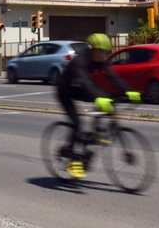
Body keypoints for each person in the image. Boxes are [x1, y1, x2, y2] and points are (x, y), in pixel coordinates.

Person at [55, 32, 140, 179]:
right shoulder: (79, 61)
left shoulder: (101, 59)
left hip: (80, 88)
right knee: (77, 123)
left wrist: (129, 92)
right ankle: (74, 160)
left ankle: (95, 133)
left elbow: (113, 76)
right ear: (92, 50)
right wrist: (98, 98)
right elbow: (86, 82)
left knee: (106, 99)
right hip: (65, 91)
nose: (104, 55)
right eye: (101, 52)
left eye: (107, 52)